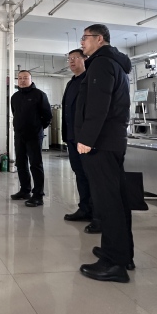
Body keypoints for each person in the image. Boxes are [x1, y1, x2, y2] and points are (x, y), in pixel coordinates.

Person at [75, 24, 134, 283]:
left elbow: (99, 105)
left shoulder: (101, 63)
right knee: (116, 199)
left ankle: (113, 262)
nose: (82, 42)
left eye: (85, 38)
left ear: (99, 39)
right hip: (113, 141)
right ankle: (123, 252)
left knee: (107, 202)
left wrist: (87, 139)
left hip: (101, 142)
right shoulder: (115, 64)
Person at [61, 48, 99, 232]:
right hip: (72, 138)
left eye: (75, 58)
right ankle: (85, 209)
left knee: (92, 176)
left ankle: (98, 214)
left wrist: (88, 136)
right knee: (80, 174)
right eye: (69, 59)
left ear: (85, 59)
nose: (71, 61)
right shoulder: (71, 83)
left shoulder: (90, 80)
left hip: (85, 139)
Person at [10, 70, 52, 207]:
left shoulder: (39, 95)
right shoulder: (15, 97)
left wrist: (37, 128)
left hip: (34, 136)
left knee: (35, 164)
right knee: (21, 163)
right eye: (20, 78)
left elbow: (47, 116)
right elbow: (15, 113)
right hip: (19, 135)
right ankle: (25, 190)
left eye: (25, 78)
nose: (22, 80)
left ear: (31, 79)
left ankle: (38, 195)